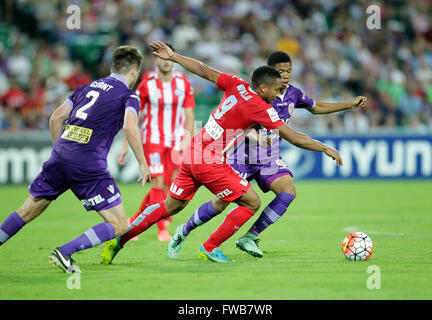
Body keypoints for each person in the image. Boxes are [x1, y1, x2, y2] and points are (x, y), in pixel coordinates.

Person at [101, 41, 342, 264]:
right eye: (276, 90)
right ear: (263, 87)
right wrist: (325, 147)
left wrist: (174, 57)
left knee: (170, 206)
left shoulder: (236, 84)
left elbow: (204, 70)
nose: (279, 95)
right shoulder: (260, 107)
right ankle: (210, 246)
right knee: (251, 202)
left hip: (194, 151)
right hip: (209, 160)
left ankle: (120, 240)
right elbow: (294, 137)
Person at [168, 51, 367, 259]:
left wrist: (348, 104)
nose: (286, 76)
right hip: (241, 156)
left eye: (289, 71)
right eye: (281, 71)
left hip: (268, 159)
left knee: (287, 190)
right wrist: (258, 137)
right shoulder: (257, 93)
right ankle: (185, 230)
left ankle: (250, 237)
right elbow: (239, 121)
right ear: (271, 73)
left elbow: (316, 107)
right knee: (221, 203)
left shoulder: (293, 94)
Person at [0, 46, 150, 273]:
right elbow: (130, 126)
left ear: (113, 67)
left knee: (27, 211)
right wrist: (142, 162)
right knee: (119, 224)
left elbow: (56, 118)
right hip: (88, 164)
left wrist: (59, 150)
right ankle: (65, 252)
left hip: (60, 156)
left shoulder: (85, 87)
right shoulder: (129, 95)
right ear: (134, 72)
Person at [117, 43, 195, 242]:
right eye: (160, 58)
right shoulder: (147, 83)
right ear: (155, 60)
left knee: (169, 187)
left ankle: (133, 221)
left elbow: (189, 115)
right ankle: (162, 230)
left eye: (167, 57)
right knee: (158, 183)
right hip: (153, 138)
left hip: (176, 140)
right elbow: (135, 116)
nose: (165, 61)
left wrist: (189, 142)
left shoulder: (182, 82)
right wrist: (126, 146)